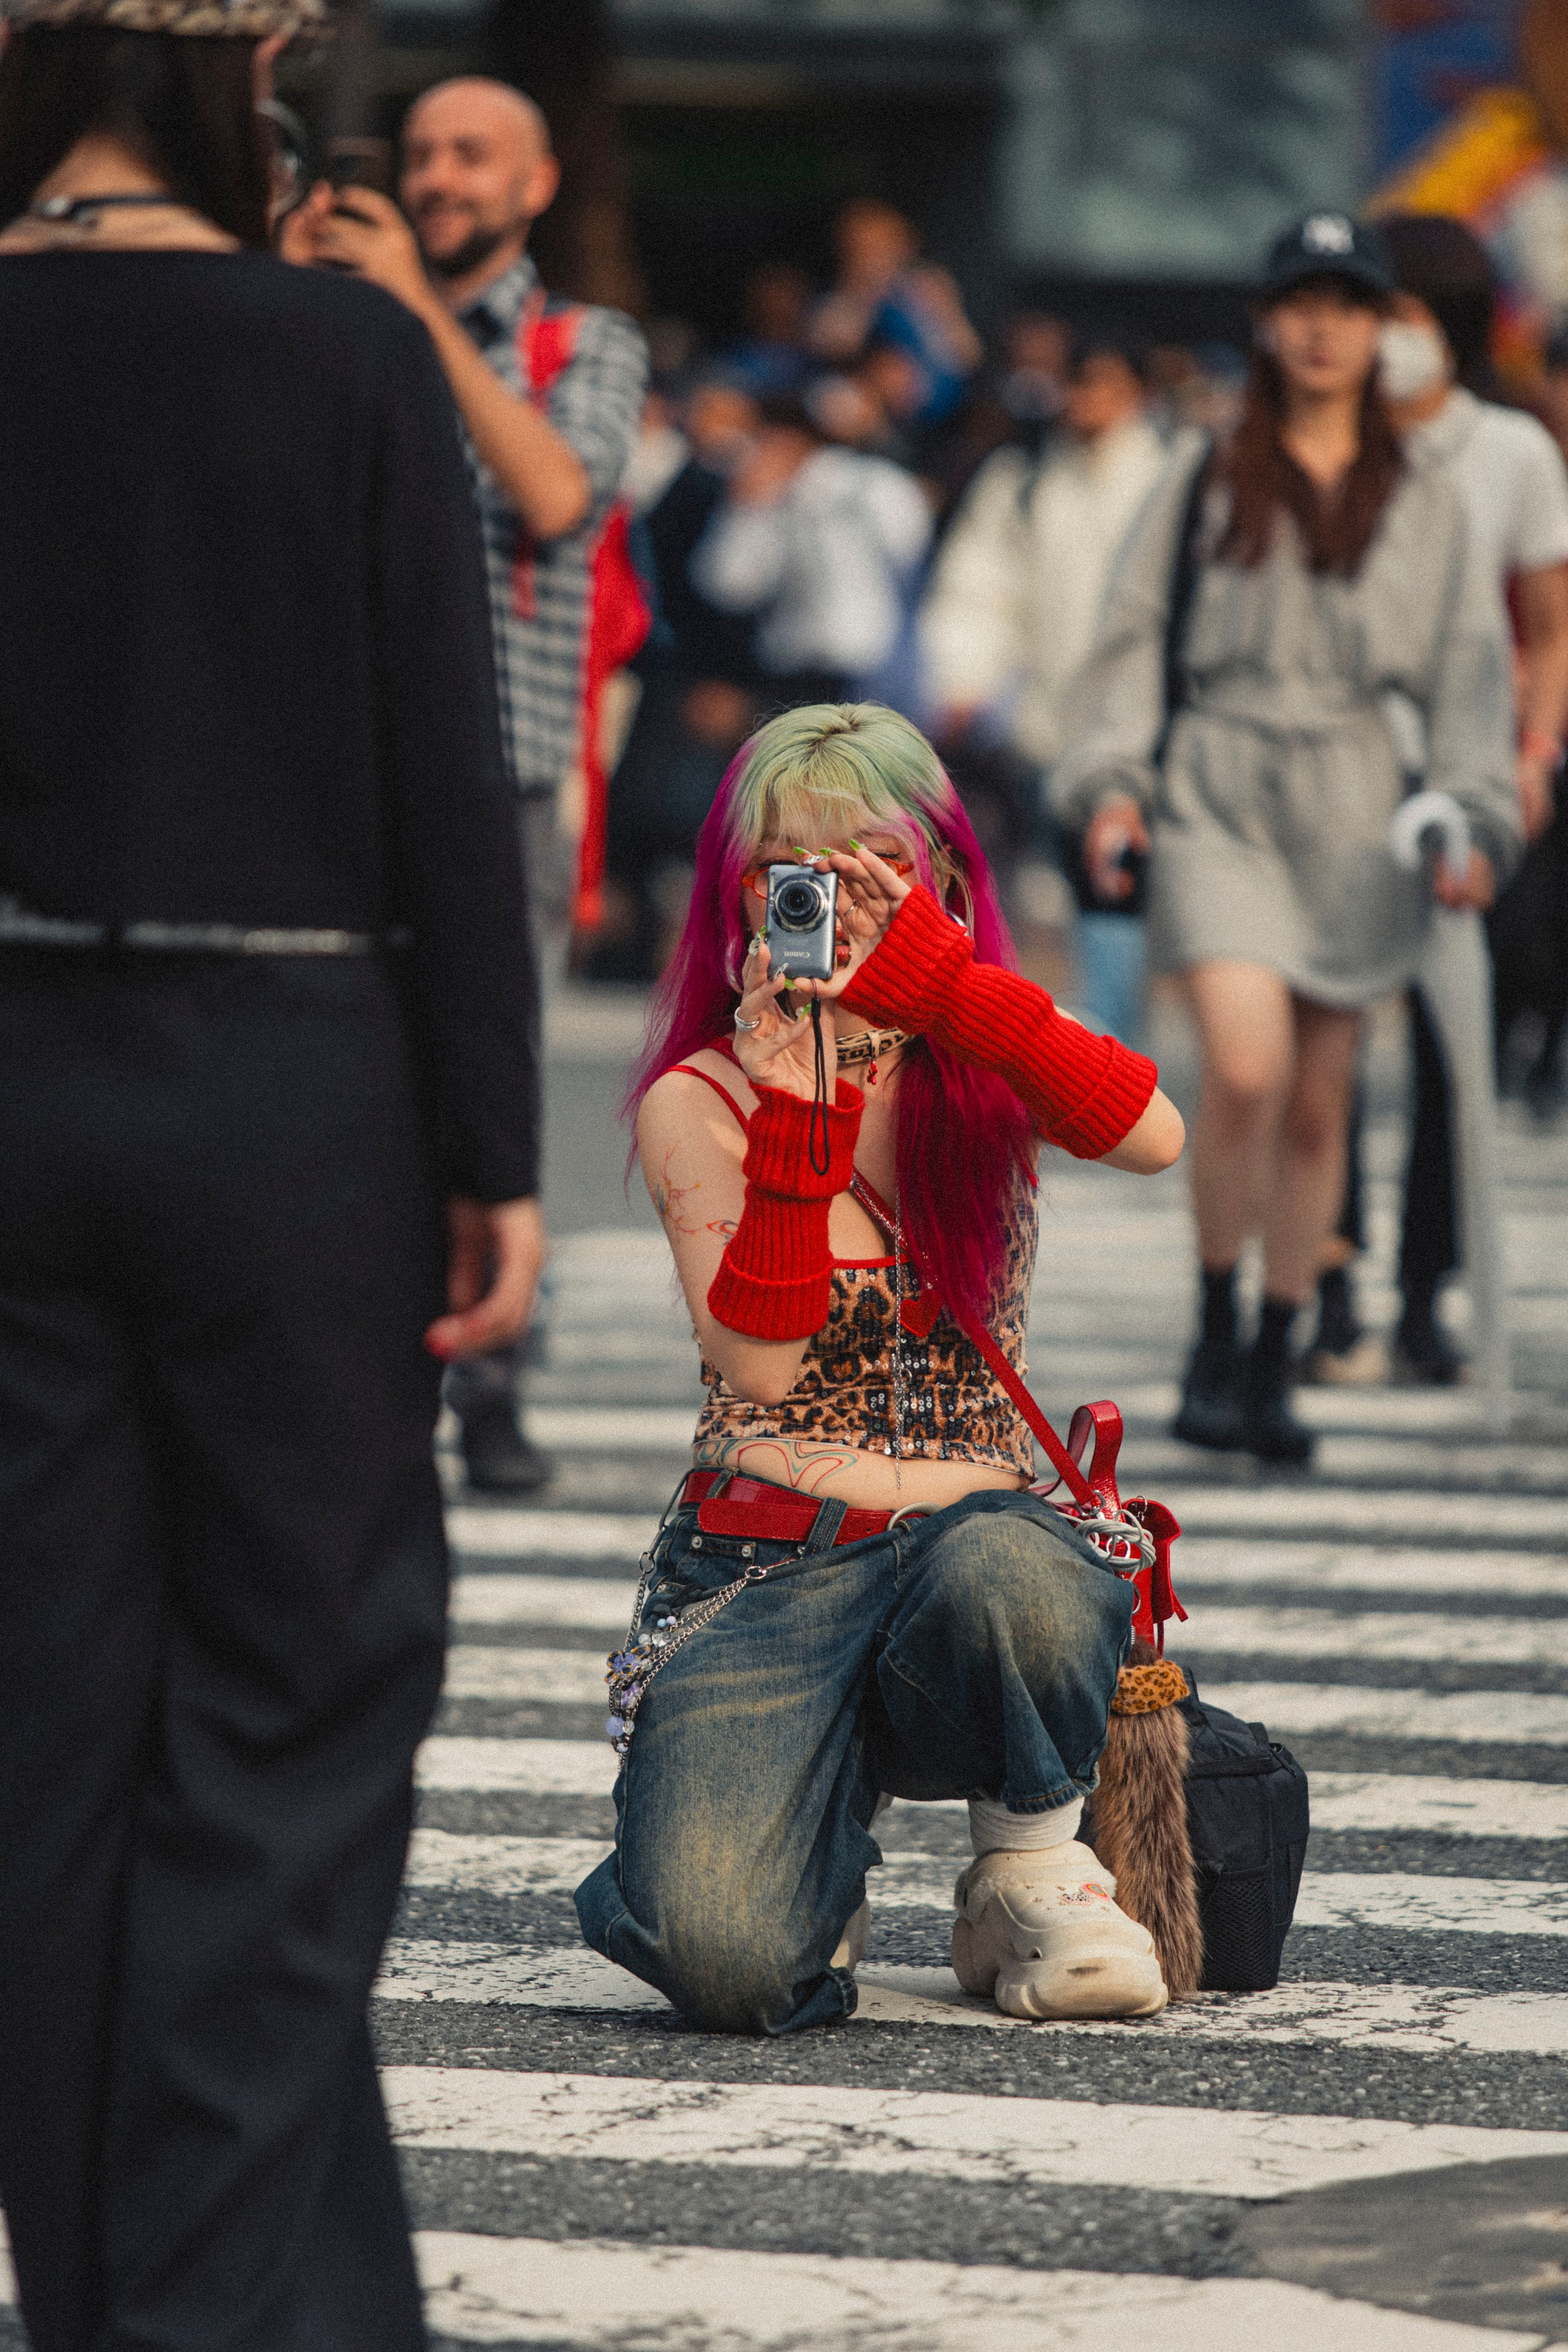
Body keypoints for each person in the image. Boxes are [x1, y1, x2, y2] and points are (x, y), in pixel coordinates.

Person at [0, 11, 543, 2347]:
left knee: (44, 1730)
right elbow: (445, 758)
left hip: (11, 1063)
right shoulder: (336, 348)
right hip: (288, 1068)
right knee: (297, 1711)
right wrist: (490, 1140)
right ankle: (220, 2303)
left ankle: (146, 2289)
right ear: (241, 83)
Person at [574, 701, 1185, 2034]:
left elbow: (1152, 1132)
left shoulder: (988, 1058)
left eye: (874, 871)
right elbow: (762, 1361)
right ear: (743, 898)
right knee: (727, 1960)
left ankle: (1024, 1864)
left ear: (947, 881)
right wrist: (798, 1135)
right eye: (796, 874)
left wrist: (952, 990)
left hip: (974, 1554)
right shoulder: (706, 1097)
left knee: (1013, 1559)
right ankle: (809, 1834)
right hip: (764, 1565)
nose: (833, 904)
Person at [1052, 214, 1518, 1466]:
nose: (1320, 325)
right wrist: (1111, 782)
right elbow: (1127, 633)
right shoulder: (1206, 472)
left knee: (1320, 1105)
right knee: (1244, 1069)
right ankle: (1211, 1320)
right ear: (1265, 321)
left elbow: (1470, 675)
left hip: (1359, 806)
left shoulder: (1422, 497)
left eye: (1345, 303)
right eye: (1298, 301)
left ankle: (1271, 1349)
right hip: (1218, 783)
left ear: (1380, 329)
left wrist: (1474, 815)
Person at [284, 75, 648, 1493]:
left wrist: (410, 313)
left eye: (468, 156)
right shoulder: (329, 317)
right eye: (421, 152)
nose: (436, 178)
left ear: (536, 183)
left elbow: (558, 493)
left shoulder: (583, 342)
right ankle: (367, 1366)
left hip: (504, 768)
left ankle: (493, 1379)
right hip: (338, 762)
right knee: (345, 1075)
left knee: (488, 1074)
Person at [1307, 211, 1568, 1385]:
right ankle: (1323, 1283)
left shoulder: (1512, 453)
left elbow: (1553, 624)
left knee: (1459, 1040)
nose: (1380, 340)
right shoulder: (1312, 444)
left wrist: (1531, 754)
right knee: (1327, 1035)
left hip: (1472, 778)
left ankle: (1424, 1294)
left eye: (1401, 316)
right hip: (1334, 773)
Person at [921, 336, 1170, 1046]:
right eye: (1076, 382)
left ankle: (1114, 1041)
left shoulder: (1167, 476)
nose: (1085, 399)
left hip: (1146, 722)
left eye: (1102, 382)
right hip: (1054, 720)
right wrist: (963, 675)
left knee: (1116, 882)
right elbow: (980, 587)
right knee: (1079, 879)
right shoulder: (1028, 480)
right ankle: (1103, 1041)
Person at [691, 394, 932, 709]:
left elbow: (910, 541)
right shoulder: (759, 501)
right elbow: (728, 588)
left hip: (871, 670)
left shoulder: (867, 481)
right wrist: (745, 511)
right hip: (790, 670)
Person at [807, 197, 982, 426]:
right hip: (881, 424)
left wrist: (945, 310)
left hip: (947, 419)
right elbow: (834, 346)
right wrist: (866, 295)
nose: (876, 259)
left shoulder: (926, 289)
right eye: (865, 250)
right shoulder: (839, 302)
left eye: (885, 247)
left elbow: (969, 356)